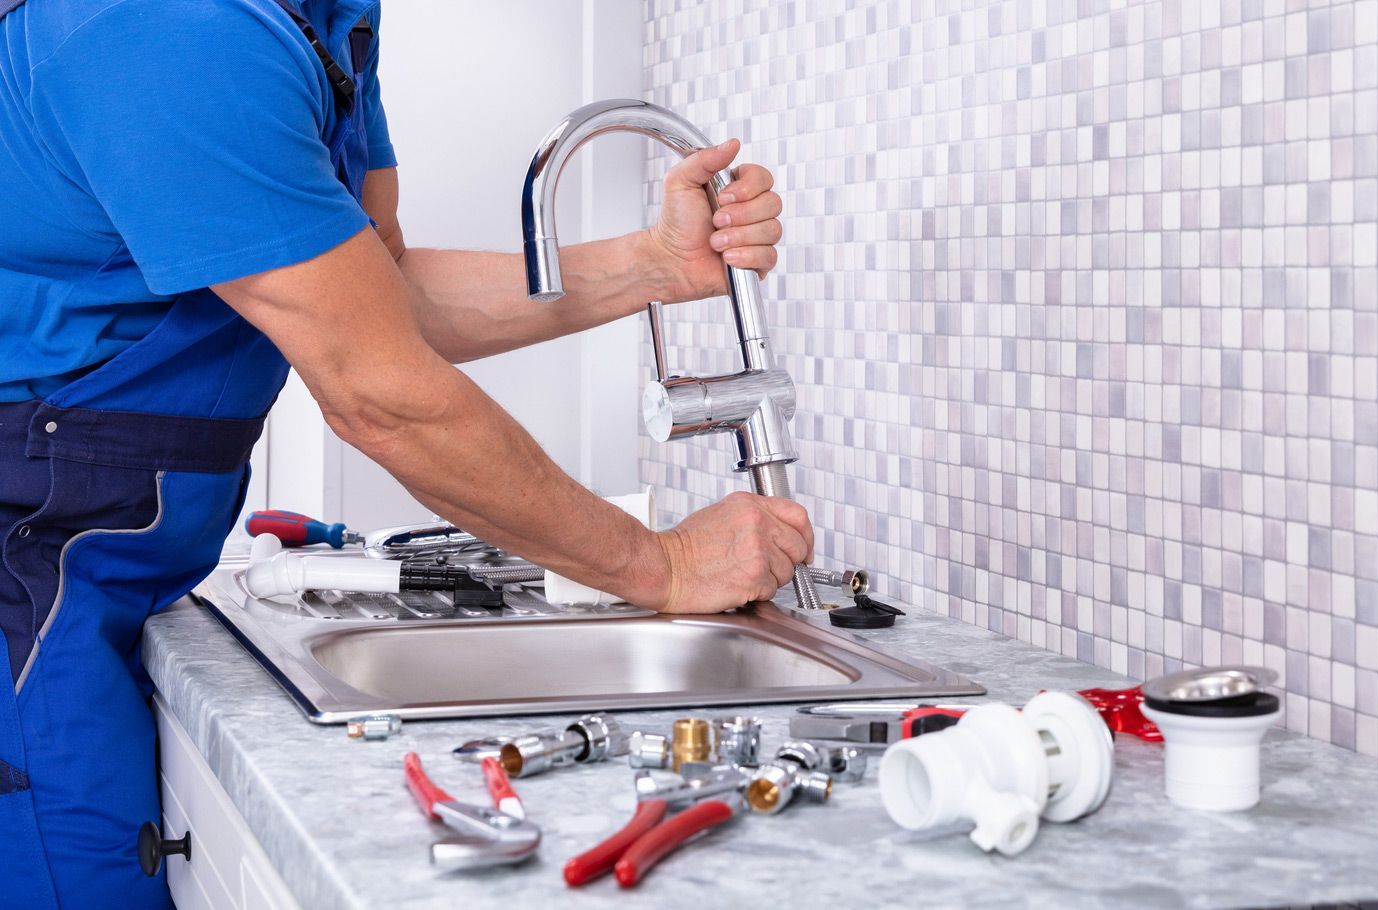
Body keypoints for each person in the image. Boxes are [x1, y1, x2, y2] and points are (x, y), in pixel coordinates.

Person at [0, 1, 812, 906]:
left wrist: (651, 264)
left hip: (92, 559)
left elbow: (374, 299)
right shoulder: (165, 27)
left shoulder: (329, 18)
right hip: (25, 570)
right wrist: (659, 564)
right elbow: (380, 393)